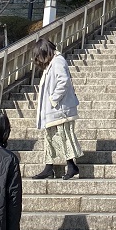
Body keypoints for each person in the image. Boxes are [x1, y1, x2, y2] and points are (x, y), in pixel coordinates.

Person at [32, 39, 82, 180]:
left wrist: (53, 99)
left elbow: (63, 81)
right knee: (51, 138)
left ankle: (71, 166)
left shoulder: (58, 61)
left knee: (63, 136)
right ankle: (49, 167)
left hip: (60, 108)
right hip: (54, 110)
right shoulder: (53, 62)